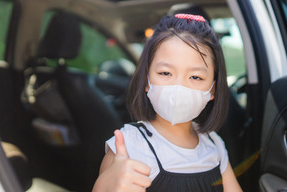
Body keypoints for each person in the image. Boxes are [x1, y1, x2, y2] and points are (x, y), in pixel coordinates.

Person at [93, 13, 242, 192]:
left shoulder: (214, 145)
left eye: (195, 77)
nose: (178, 87)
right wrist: (105, 186)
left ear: (212, 90)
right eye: (165, 73)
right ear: (146, 80)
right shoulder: (129, 147)